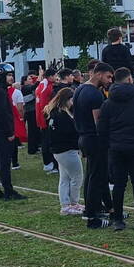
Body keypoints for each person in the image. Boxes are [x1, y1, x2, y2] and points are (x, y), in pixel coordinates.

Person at [97, 67, 134, 231]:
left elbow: (102, 128)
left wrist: (108, 144)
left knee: (118, 184)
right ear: (130, 79)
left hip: (116, 147)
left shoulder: (108, 102)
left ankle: (118, 219)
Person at [75, 62, 114, 229]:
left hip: (84, 137)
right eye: (108, 77)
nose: (110, 81)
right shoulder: (95, 95)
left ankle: (93, 209)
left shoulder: (80, 90)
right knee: (96, 177)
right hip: (94, 139)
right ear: (98, 74)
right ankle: (92, 216)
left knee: (92, 175)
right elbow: (98, 121)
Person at [0, 64, 24, 200]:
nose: (11, 77)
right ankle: (8, 191)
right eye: (8, 75)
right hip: (0, 130)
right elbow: (3, 113)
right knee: (4, 161)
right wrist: (9, 132)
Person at [45, 88, 84, 216]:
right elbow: (70, 133)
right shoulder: (62, 115)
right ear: (66, 100)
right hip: (67, 150)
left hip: (59, 150)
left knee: (65, 178)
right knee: (76, 177)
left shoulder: (55, 113)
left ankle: (66, 204)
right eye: (71, 99)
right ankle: (73, 203)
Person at [34, 67, 58, 173]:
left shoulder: (43, 84)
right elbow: (43, 102)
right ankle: (48, 163)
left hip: (41, 116)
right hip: (45, 117)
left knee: (45, 139)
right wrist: (47, 116)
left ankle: (48, 163)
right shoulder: (46, 86)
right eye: (55, 76)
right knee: (47, 140)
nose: (56, 78)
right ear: (50, 76)